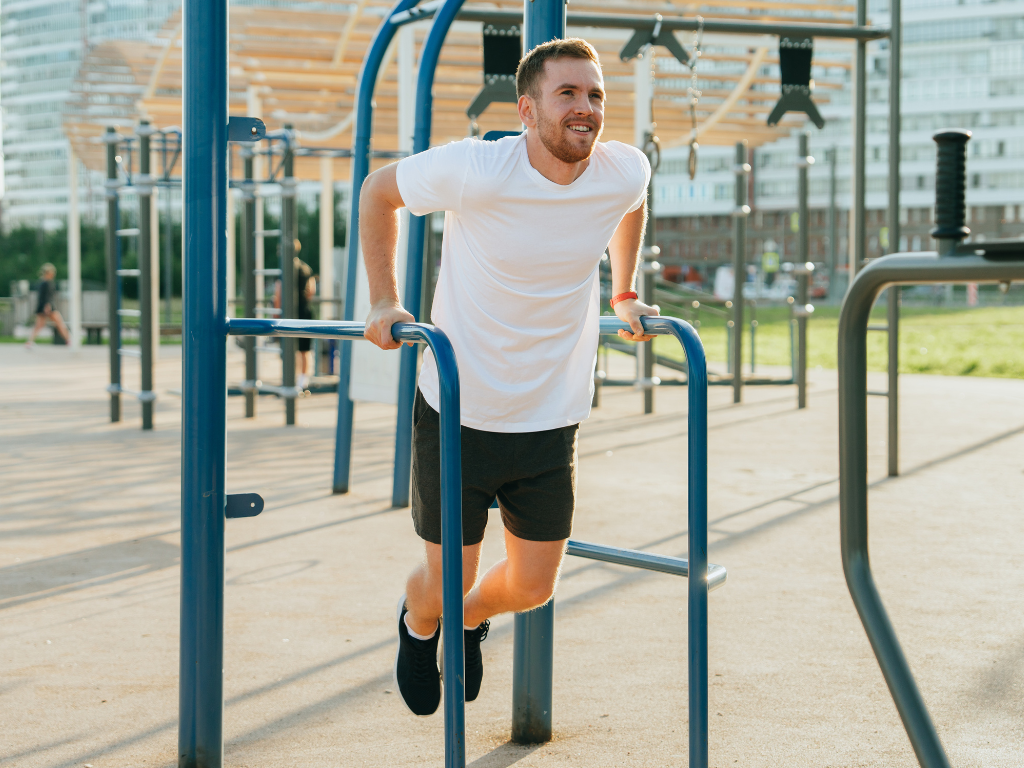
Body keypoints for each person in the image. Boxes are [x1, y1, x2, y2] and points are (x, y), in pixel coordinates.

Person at [360, 38, 656, 716]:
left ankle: (466, 619)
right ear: (527, 110)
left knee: (532, 587)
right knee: (446, 580)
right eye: (567, 94)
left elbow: (632, 202)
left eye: (595, 94)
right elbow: (378, 192)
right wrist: (383, 300)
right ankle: (421, 622)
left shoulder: (623, 169)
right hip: (459, 407)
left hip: (549, 413)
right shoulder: (478, 169)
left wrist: (624, 291)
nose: (586, 108)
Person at [273, 241, 317, 391]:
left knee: (288, 348)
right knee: (304, 349)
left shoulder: (284, 269)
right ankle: (303, 381)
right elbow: (311, 290)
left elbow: (279, 293)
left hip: (289, 314)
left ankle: (288, 379)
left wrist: (276, 313)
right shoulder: (305, 268)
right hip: (304, 311)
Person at [26, 263, 70, 348]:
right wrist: (47, 306)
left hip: (42, 306)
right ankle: (69, 340)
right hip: (48, 306)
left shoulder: (42, 282)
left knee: (39, 326)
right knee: (59, 323)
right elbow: (47, 296)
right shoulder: (47, 283)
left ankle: (29, 342)